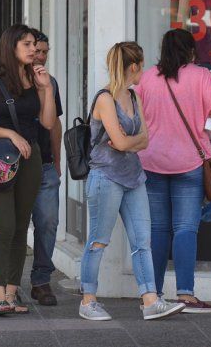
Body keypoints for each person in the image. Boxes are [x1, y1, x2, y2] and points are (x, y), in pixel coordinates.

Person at [135, 29, 211, 314]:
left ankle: (154, 295)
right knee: (185, 229)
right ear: (190, 51)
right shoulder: (199, 76)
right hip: (189, 162)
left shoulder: (147, 77)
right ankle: (186, 294)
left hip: (151, 162)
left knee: (157, 230)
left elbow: (136, 115)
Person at [78, 42, 184, 322]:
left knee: (142, 241)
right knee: (98, 241)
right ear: (134, 66)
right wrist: (128, 143)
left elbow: (140, 140)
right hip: (106, 178)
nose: (144, 70)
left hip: (133, 177)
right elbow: (125, 142)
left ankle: (150, 300)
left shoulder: (134, 97)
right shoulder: (105, 98)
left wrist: (128, 143)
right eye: (142, 64)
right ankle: (88, 300)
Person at [0, 24, 56, 315]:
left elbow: (47, 123)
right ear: (11, 46)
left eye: (35, 44)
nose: (34, 49)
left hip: (30, 158)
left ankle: (11, 292)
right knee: (4, 226)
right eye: (28, 44)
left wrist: (46, 90)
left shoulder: (36, 78)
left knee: (21, 228)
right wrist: (11, 134)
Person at [28, 30, 63, 306]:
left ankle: (41, 281)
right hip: (15, 165)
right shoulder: (10, 81)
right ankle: (8, 283)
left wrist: (57, 160)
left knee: (48, 222)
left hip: (46, 164)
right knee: (14, 226)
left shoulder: (49, 82)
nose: (40, 56)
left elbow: (55, 123)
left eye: (44, 52)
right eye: (36, 50)